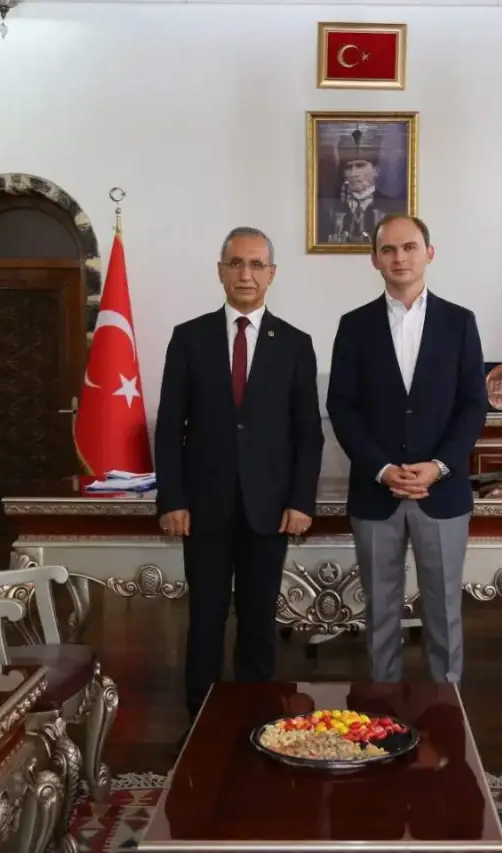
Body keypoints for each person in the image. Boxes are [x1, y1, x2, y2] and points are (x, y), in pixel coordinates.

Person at [155, 226, 324, 721]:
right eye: (236, 263)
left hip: (269, 509)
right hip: (202, 508)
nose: (245, 274)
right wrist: (173, 499)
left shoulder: (295, 344)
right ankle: (201, 721)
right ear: (220, 271)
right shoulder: (189, 338)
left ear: (271, 274)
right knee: (205, 619)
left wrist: (301, 501)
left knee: (258, 621)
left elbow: (308, 433)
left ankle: (256, 719)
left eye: (255, 264)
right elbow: (169, 427)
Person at [326, 214, 488, 684]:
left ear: (428, 254)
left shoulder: (459, 322)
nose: (400, 258)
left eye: (409, 247)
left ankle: (446, 709)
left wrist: (439, 466)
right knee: (379, 613)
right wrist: (381, 468)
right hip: (376, 492)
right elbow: (341, 405)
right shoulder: (354, 326)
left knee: (445, 612)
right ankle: (384, 709)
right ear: (375, 259)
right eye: (389, 250)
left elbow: (473, 404)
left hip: (442, 492)